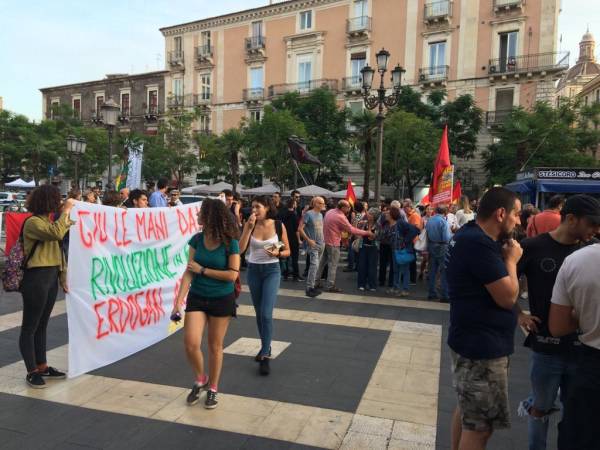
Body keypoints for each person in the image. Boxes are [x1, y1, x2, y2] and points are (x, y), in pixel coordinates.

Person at [518, 195, 600, 450]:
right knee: (540, 407)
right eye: (592, 223)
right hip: (546, 346)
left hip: (583, 348)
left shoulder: (591, 251)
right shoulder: (533, 246)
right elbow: (505, 278)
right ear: (571, 219)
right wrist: (518, 313)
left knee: (575, 410)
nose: (596, 230)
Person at [446, 187, 523, 450]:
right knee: (480, 428)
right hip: (482, 348)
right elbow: (508, 297)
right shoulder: (479, 244)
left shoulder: (468, 235)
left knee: (468, 412)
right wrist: (511, 261)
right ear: (501, 214)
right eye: (516, 214)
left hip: (470, 340)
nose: (519, 221)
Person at [171, 198, 241, 410]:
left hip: (222, 298)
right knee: (191, 343)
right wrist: (178, 302)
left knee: (214, 346)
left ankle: (213, 388)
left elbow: (232, 275)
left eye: (201, 212)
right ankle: (201, 378)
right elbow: (189, 271)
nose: (197, 215)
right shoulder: (197, 239)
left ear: (211, 216)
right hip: (198, 296)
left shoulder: (230, 243)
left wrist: (203, 270)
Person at [19, 186, 76, 388]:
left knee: (42, 325)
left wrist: (62, 277)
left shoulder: (49, 222)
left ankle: (42, 366)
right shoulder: (33, 222)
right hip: (36, 278)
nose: (60, 202)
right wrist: (66, 211)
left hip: (50, 277)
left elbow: (59, 252)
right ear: (47, 201)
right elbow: (57, 234)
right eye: (57, 199)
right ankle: (31, 371)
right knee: (30, 326)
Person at [549, 236, 600, 449]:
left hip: (592, 367)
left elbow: (558, 326)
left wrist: (587, 316)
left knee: (580, 437)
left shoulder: (579, 260)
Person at [239, 195, 291, 375]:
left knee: (266, 314)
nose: (254, 210)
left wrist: (278, 253)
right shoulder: (250, 224)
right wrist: (248, 228)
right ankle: (264, 346)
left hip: (272, 271)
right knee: (259, 313)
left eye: (257, 207)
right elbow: (240, 249)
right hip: (254, 271)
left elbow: (287, 250)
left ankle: (266, 354)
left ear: (267, 208)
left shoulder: (278, 225)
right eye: (252, 207)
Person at [316, 200, 372, 293]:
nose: (350, 209)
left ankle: (315, 281)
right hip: (333, 243)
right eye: (348, 207)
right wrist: (366, 232)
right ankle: (330, 285)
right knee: (332, 265)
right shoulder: (340, 217)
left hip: (325, 241)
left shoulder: (330, 212)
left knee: (322, 263)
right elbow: (351, 229)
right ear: (342, 208)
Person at [299, 196, 326, 298]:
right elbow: (300, 229)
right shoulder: (308, 214)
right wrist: (308, 240)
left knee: (316, 266)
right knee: (314, 265)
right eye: (321, 203)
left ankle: (312, 286)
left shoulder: (320, 215)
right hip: (313, 244)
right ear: (315, 204)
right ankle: (309, 288)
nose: (323, 205)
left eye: (323, 203)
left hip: (321, 243)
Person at [425, 205, 452, 301]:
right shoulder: (443, 221)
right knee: (444, 271)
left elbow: (427, 233)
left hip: (431, 245)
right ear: (445, 212)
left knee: (432, 271)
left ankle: (431, 293)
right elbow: (446, 238)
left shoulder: (430, 220)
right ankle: (444, 295)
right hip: (442, 246)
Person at [391, 213, 420, 297]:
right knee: (396, 270)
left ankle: (405, 289)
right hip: (396, 249)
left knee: (405, 270)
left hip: (403, 250)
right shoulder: (391, 223)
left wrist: (406, 240)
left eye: (388, 213)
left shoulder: (400, 222)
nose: (386, 215)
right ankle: (396, 288)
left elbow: (415, 230)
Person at [378, 200, 403, 288]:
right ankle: (385, 281)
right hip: (386, 243)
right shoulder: (385, 216)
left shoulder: (399, 217)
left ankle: (387, 281)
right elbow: (379, 226)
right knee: (386, 262)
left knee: (388, 263)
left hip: (390, 243)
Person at [279, 198, 303, 282]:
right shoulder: (294, 215)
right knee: (294, 258)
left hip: (283, 238)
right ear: (293, 205)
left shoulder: (282, 214)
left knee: (285, 258)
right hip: (293, 239)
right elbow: (297, 230)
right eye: (295, 204)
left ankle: (285, 275)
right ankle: (295, 275)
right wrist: (299, 240)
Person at [357, 207, 380, 291]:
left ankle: (372, 285)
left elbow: (378, 236)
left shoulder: (378, 225)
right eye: (368, 213)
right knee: (362, 266)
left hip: (373, 247)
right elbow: (358, 231)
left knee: (372, 267)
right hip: (363, 246)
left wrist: (373, 235)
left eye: (370, 214)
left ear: (374, 216)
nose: (368, 215)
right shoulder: (364, 223)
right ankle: (361, 284)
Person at [403, 200, 423, 284]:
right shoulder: (409, 215)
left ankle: (412, 279)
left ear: (409, 207)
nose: (403, 209)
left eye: (404, 207)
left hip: (412, 241)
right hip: (410, 241)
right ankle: (409, 278)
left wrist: (407, 239)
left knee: (412, 261)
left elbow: (416, 229)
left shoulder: (414, 215)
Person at [345, 202, 366, 273]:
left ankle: (351, 266)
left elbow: (354, 226)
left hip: (356, 235)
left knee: (352, 250)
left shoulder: (358, 215)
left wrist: (350, 236)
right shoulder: (363, 214)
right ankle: (357, 266)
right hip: (361, 234)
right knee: (358, 252)